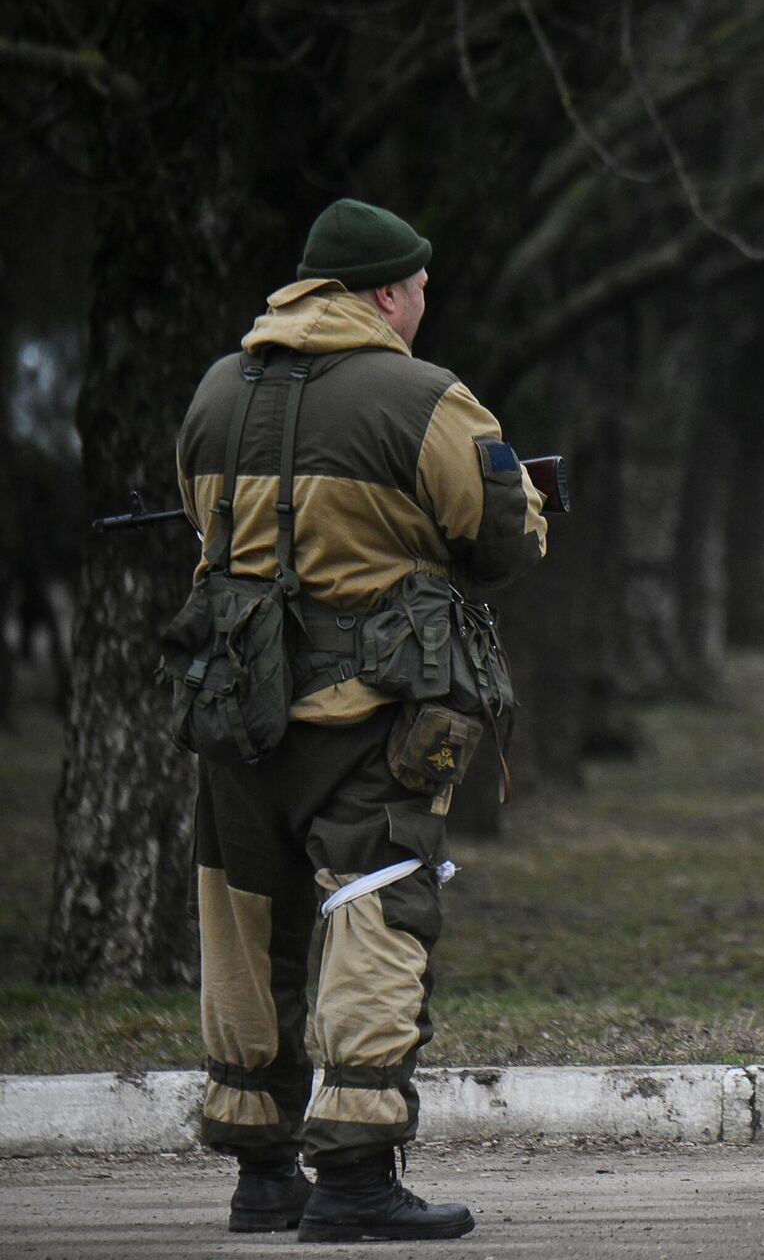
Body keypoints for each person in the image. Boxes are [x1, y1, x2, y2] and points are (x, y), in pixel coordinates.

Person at [175, 199, 548, 1242]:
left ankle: (260, 1175)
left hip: (235, 708)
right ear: (387, 291)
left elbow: (202, 522)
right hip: (373, 714)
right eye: (421, 289)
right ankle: (355, 1177)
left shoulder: (214, 389)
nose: (424, 306)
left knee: (245, 925)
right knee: (377, 913)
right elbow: (505, 536)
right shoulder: (423, 396)